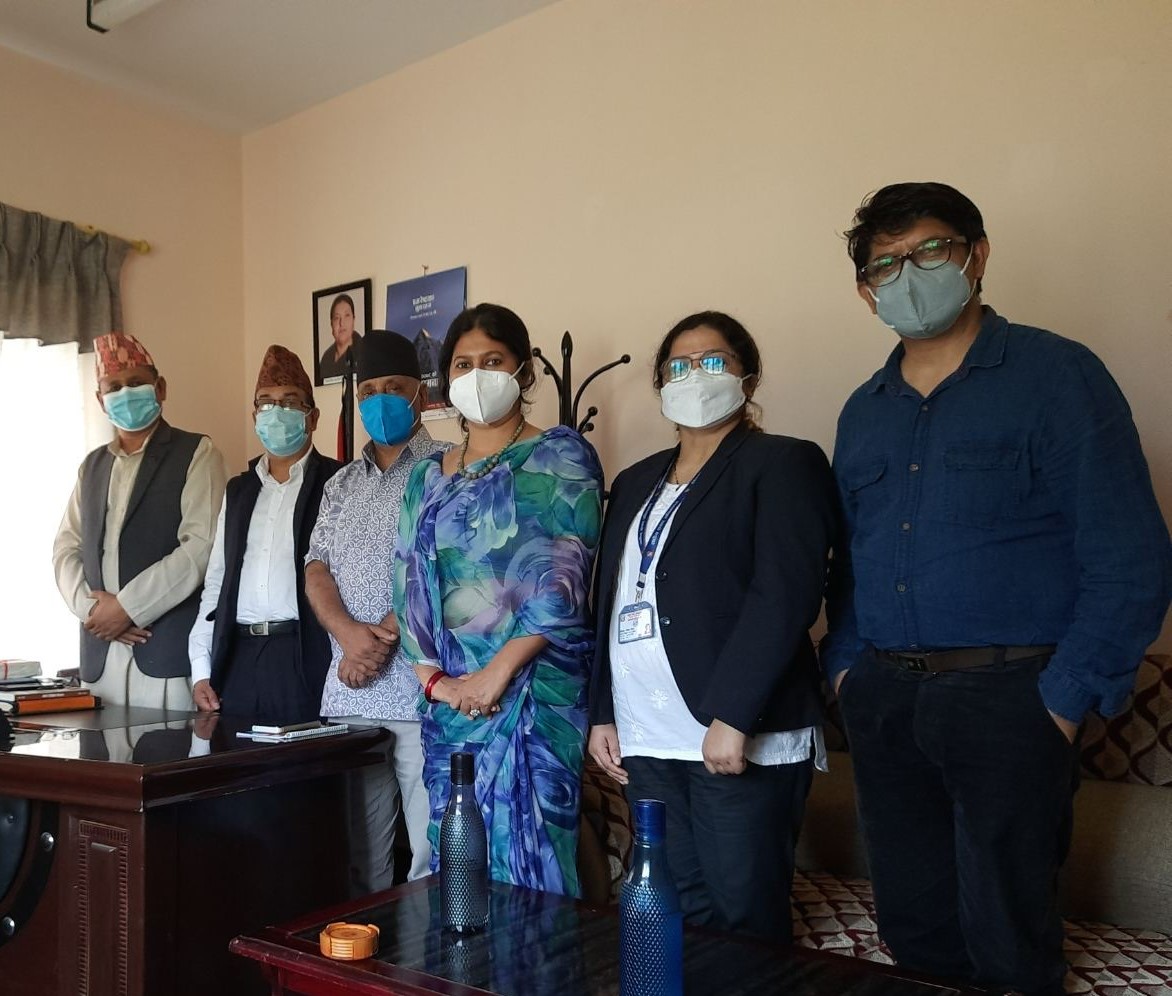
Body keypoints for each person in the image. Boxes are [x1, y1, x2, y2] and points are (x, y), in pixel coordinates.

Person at [821, 182, 1172, 995]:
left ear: (976, 255)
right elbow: (848, 561)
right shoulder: (862, 412)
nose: (908, 273)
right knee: (912, 929)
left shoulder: (1057, 375)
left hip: (1012, 697)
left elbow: (1133, 554)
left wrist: (1063, 696)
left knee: (1007, 940)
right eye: (886, 264)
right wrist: (847, 669)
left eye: (929, 251)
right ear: (866, 293)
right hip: (885, 699)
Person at [586, 311, 837, 940]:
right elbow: (608, 600)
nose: (695, 375)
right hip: (649, 734)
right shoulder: (637, 481)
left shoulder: (783, 463)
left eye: (713, 361)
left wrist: (733, 715)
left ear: (747, 378)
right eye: (679, 365)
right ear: (660, 384)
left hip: (732, 734)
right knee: (677, 911)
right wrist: (602, 712)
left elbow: (785, 593)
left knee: (744, 915)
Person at [393, 303, 603, 897]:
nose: (476, 375)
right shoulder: (426, 476)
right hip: (450, 702)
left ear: (524, 372)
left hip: (533, 692)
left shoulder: (562, 456)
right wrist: (437, 680)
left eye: (493, 361)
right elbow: (407, 581)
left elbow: (567, 578)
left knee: (536, 857)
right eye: (463, 364)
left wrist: (497, 674)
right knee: (457, 861)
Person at [305, 330, 450, 892]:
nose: (380, 399)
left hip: (422, 690)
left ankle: (424, 970)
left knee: (431, 851)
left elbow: (436, 563)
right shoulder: (341, 482)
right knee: (359, 853)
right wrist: (348, 637)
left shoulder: (447, 466)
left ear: (420, 393)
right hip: (350, 692)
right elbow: (316, 567)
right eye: (369, 390)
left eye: (394, 387)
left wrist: (381, 638)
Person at [53, 332, 226, 709]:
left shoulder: (197, 452)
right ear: (100, 400)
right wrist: (94, 611)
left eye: (135, 383)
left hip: (163, 651)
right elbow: (66, 548)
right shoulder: (92, 466)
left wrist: (128, 608)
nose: (125, 393)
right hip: (101, 654)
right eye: (114, 387)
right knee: (102, 763)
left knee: (168, 757)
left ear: (160, 388)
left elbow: (200, 549)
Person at [189, 346, 341, 725]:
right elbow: (217, 582)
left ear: (313, 416)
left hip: (306, 656)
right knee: (240, 775)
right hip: (239, 659)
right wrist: (201, 667)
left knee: (308, 778)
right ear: (254, 414)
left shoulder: (339, 481)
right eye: (266, 403)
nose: (277, 412)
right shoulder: (238, 491)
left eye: (290, 402)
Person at [319, 293, 362, 381]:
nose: (341, 323)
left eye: (347, 316)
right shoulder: (326, 358)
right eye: (336, 318)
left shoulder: (363, 352)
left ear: (353, 320)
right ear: (331, 324)